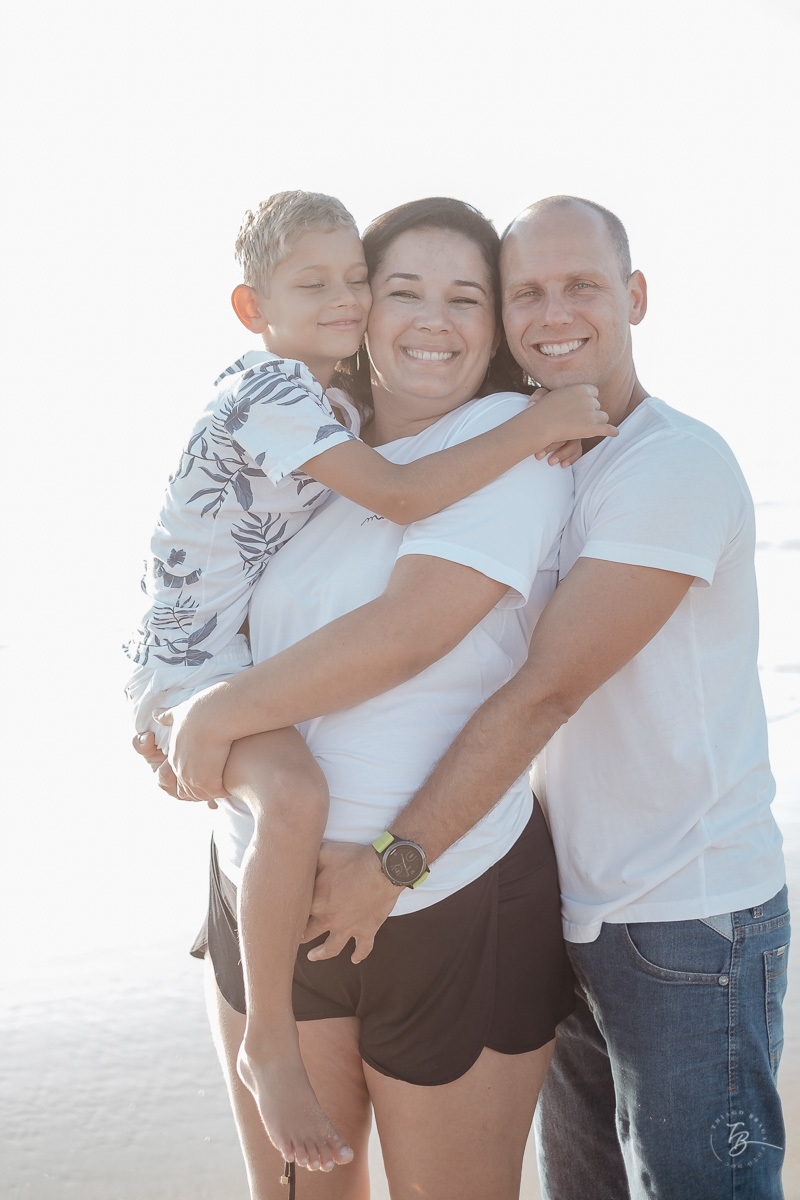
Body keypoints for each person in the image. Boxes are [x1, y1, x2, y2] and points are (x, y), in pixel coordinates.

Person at [293, 196, 789, 1199]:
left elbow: (542, 694)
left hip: (684, 919)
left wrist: (391, 865)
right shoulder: (536, 456)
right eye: (526, 292)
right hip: (570, 907)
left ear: (634, 296)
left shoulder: (671, 466)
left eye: (581, 286)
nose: (553, 314)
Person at [125, 190, 613, 1174]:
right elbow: (214, 566)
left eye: (465, 297)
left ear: (497, 325)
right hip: (266, 894)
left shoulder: (511, 444)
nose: (431, 318)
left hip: (444, 902)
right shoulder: (323, 433)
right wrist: (181, 707)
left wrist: (210, 717)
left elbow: (407, 637)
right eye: (400, 289)